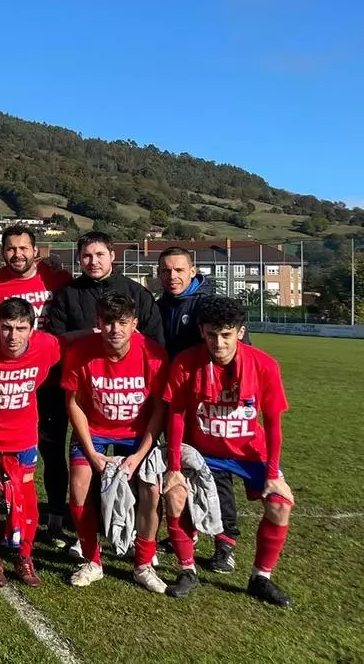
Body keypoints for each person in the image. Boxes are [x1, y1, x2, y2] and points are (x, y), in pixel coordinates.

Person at [161, 297, 295, 608]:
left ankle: (261, 578)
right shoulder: (185, 362)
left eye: (226, 335)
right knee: (175, 495)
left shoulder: (264, 365)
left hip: (250, 453)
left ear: (240, 332)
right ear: (201, 331)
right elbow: (176, 415)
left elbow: (273, 423)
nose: (218, 343)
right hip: (203, 451)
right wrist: (174, 467)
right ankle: (187, 570)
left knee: (280, 504)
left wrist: (273, 473)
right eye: (211, 334)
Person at [43, 231, 164, 549]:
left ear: (112, 255)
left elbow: (154, 344)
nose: (93, 261)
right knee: (86, 473)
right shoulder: (68, 295)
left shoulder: (136, 293)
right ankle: (87, 536)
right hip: (86, 395)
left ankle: (135, 535)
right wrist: (90, 340)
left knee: (138, 477)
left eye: (99, 254)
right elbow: (56, 341)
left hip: (130, 406)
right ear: (79, 259)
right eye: (86, 256)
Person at [60, 293, 169, 592]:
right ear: (99, 322)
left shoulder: (154, 354)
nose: (115, 329)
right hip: (94, 429)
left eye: (122, 322)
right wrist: (91, 452)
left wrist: (140, 454)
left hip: (136, 433)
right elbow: (73, 403)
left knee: (151, 492)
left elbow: (159, 409)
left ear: (135, 323)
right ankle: (92, 561)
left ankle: (143, 564)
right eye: (108, 322)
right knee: (79, 490)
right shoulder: (80, 351)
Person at [157, 247, 248, 571]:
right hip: (174, 400)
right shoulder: (159, 306)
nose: (172, 276)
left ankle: (226, 543)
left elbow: (239, 351)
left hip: (209, 403)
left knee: (217, 472)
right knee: (180, 467)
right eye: (166, 271)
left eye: (179, 270)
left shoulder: (208, 305)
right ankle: (188, 532)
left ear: (193, 271)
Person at [0, 298, 62, 588]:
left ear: (32, 329)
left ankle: (25, 555)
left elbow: (75, 343)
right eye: (6, 327)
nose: (13, 336)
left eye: (20, 328)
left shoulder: (47, 346)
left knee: (26, 493)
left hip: (23, 435)